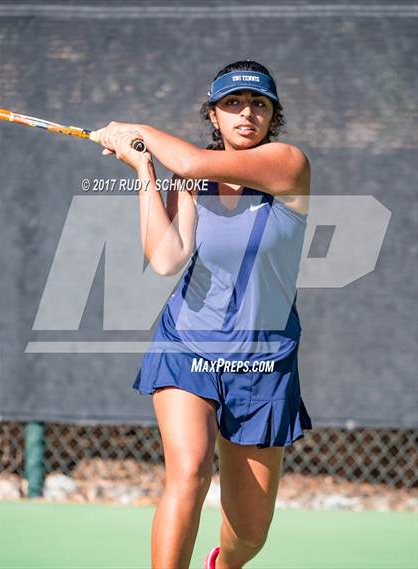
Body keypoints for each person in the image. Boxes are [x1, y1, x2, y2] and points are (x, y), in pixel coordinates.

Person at [96, 59, 312, 569]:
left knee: (249, 534)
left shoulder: (288, 164)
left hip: (264, 362)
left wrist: (136, 131)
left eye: (259, 104)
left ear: (272, 118)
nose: (246, 114)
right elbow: (167, 257)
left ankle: (225, 564)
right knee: (188, 472)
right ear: (213, 115)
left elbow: (191, 162)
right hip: (187, 344)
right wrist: (144, 168)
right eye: (232, 103)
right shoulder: (190, 181)